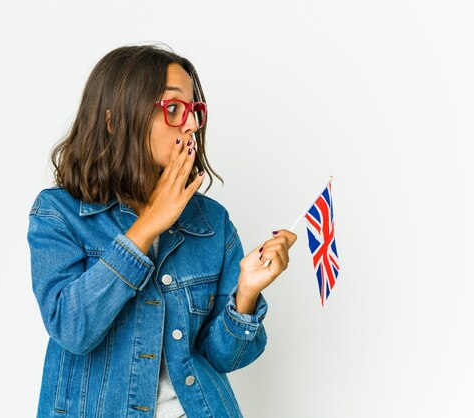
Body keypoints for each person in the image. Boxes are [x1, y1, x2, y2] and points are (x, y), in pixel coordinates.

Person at [27, 43, 297, 418]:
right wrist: (149, 225)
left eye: (193, 111)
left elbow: (224, 358)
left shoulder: (211, 222)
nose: (190, 124)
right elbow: (72, 329)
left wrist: (246, 294)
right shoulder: (59, 213)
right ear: (114, 121)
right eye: (172, 109)